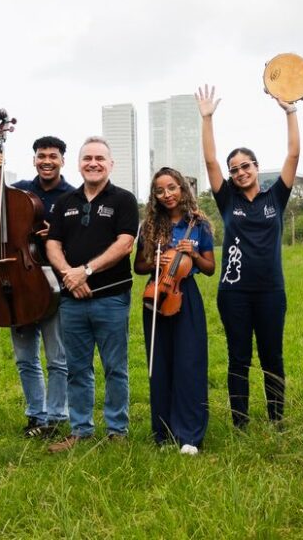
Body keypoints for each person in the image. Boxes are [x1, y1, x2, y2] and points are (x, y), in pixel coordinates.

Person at [196, 84, 299, 430]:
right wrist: (207, 118)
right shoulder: (229, 201)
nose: (240, 172)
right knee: (238, 358)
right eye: (234, 169)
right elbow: (210, 160)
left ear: (256, 167)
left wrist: (290, 112)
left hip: (271, 291)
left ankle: (276, 420)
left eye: (245, 166)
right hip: (234, 293)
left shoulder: (276, 198)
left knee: (273, 357)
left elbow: (294, 156)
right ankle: (240, 423)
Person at [44, 136, 139, 453]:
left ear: (111, 164)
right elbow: (52, 244)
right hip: (72, 301)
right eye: (87, 158)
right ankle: (81, 431)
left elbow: (125, 243)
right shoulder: (66, 203)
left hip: (111, 299)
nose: (93, 163)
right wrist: (69, 275)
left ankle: (116, 431)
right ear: (79, 164)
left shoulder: (124, 200)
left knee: (115, 367)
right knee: (77, 369)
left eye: (100, 158)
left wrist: (85, 270)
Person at [0, 135, 72, 438]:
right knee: (25, 357)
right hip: (19, 279)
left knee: (57, 357)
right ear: (34, 159)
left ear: (62, 159)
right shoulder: (20, 190)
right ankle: (36, 415)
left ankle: (56, 416)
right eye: (41, 156)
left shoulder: (72, 197)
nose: (46, 161)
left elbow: (80, 243)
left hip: (53, 282)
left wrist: (58, 234)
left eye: (52, 155)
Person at [134, 167, 216, 454]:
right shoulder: (150, 225)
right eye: (160, 190)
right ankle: (164, 433)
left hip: (186, 295)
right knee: (161, 364)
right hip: (156, 294)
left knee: (189, 364)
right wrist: (155, 255)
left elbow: (209, 268)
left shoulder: (200, 224)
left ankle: (190, 435)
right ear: (154, 195)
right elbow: (138, 267)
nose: (166, 194)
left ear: (182, 188)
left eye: (171, 188)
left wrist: (192, 254)